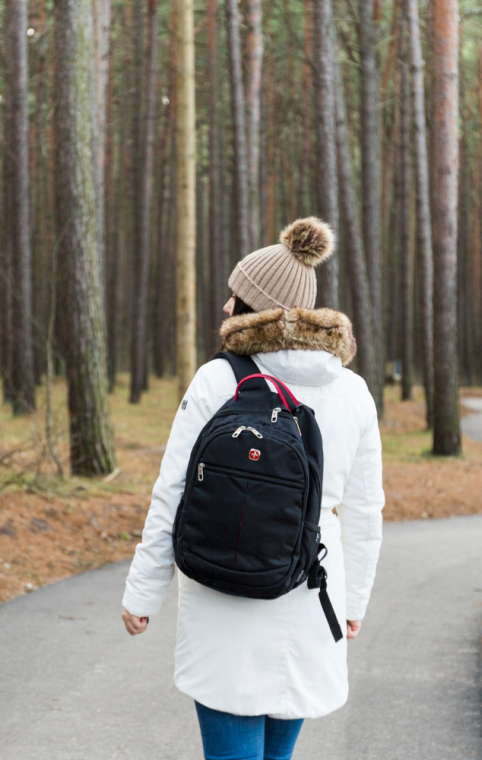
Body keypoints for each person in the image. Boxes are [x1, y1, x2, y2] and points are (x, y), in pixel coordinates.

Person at [121, 218, 385, 760]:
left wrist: (142, 592)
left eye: (234, 296)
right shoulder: (353, 391)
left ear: (256, 308)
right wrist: (354, 599)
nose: (225, 307)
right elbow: (363, 509)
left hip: (223, 591)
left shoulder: (220, 379)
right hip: (312, 587)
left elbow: (173, 491)